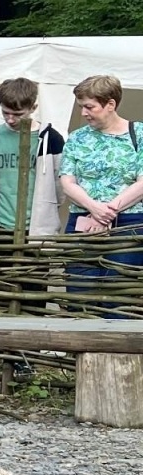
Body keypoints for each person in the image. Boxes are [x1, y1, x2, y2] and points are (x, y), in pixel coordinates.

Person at [59, 75, 143, 312]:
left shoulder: (139, 134)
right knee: (79, 290)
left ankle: (116, 349)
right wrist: (94, 207)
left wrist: (108, 210)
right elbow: (67, 181)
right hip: (83, 220)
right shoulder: (77, 138)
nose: (84, 113)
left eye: (89, 106)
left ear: (111, 104)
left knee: (118, 292)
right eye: (81, 107)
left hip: (129, 223)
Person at [0, 77, 63, 237]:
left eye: (18, 114)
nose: (10, 119)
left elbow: (60, 185)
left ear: (33, 107)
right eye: (5, 112)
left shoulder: (52, 140)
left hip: (38, 228)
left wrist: (47, 211)